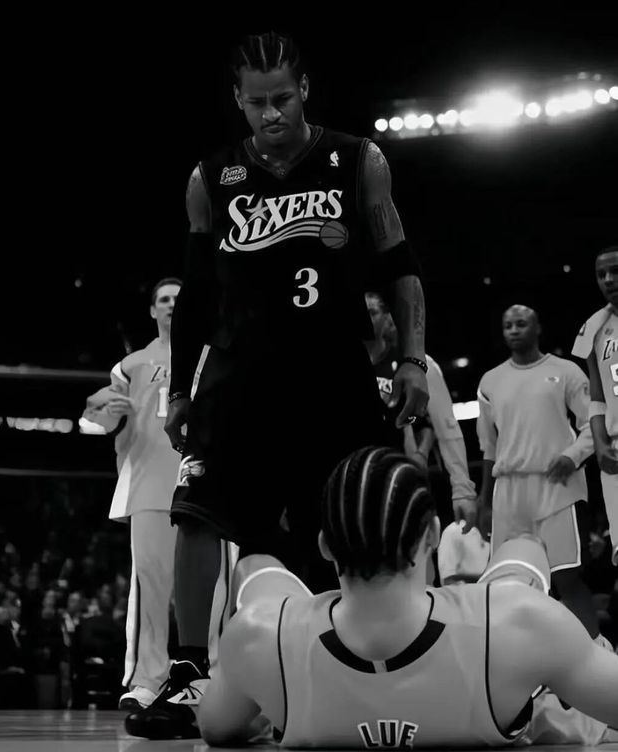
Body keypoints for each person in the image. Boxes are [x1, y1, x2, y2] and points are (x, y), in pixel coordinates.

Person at [146, 31, 428, 732]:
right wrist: (179, 389)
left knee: (350, 523)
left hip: (332, 373)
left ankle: (362, 666)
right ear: (237, 102)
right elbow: (196, 299)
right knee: (195, 511)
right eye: (256, 103)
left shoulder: (358, 160)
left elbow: (400, 268)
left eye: (282, 98)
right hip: (239, 376)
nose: (271, 114)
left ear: (304, 90)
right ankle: (187, 674)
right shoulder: (210, 178)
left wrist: (413, 358)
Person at [196, 447, 618, 747]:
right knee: (524, 547)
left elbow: (215, 726)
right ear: (432, 534)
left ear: (325, 546)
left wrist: (267, 694)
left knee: (256, 567)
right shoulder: (522, 622)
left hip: (297, 650)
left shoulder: (255, 637)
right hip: (487, 646)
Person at [83, 278, 191, 710]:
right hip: (149, 486)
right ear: (152, 310)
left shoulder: (213, 355)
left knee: (217, 592)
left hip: (204, 485)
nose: (171, 305)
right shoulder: (130, 365)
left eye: (178, 299)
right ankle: (148, 679)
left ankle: (214, 680)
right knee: (150, 588)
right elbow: (93, 419)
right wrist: (107, 411)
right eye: (164, 299)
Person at [477, 304, 599, 637]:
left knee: (566, 577)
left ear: (537, 328)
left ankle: (596, 648)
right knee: (510, 584)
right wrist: (484, 501)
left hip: (556, 485)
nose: (514, 330)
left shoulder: (566, 371)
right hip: (509, 492)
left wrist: (573, 455)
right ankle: (525, 656)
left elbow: (594, 423)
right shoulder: (490, 381)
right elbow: (489, 447)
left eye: (521, 324)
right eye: (508, 325)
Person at [365, 290, 477, 532]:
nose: (366, 320)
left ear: (387, 318)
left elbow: (447, 428)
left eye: (372, 312)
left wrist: (462, 490)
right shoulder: (337, 368)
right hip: (359, 487)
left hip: (405, 484)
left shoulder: (415, 365)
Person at [573, 245, 618, 564]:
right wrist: (600, 445)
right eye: (601, 274)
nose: (608, 280)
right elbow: (597, 398)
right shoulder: (593, 327)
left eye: (615, 271)